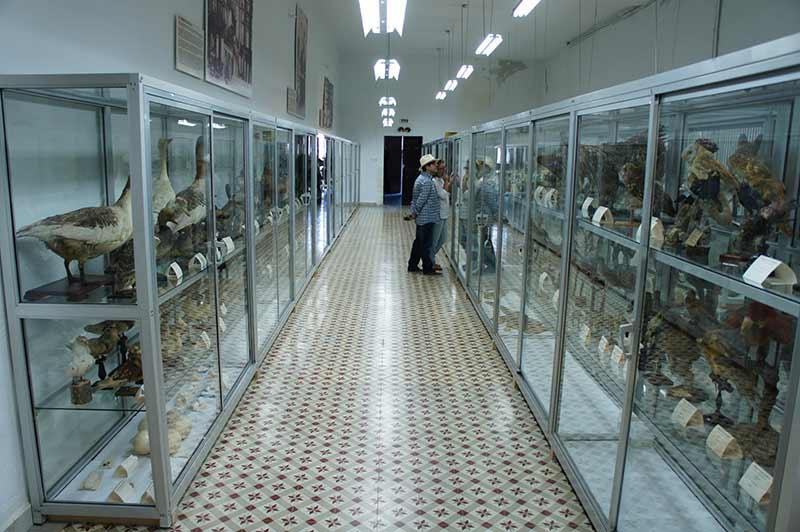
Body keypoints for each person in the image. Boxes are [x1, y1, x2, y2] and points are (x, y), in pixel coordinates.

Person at [407, 154, 441, 275]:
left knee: (419, 242)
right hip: (426, 218)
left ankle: (412, 265)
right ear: (427, 167)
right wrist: (414, 213)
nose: (436, 166)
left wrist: (414, 212)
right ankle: (427, 268)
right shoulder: (426, 182)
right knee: (425, 244)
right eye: (433, 164)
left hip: (425, 217)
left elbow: (415, 199)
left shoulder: (423, 179)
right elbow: (420, 200)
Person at [431, 159, 451, 272]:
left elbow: (447, 193)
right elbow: (443, 195)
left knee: (443, 238)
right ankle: (430, 262)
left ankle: (430, 258)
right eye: (441, 168)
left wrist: (449, 182)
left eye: (445, 168)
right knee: (434, 240)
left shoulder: (441, 180)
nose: (443, 170)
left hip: (444, 213)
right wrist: (447, 182)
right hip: (438, 214)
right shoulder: (435, 181)